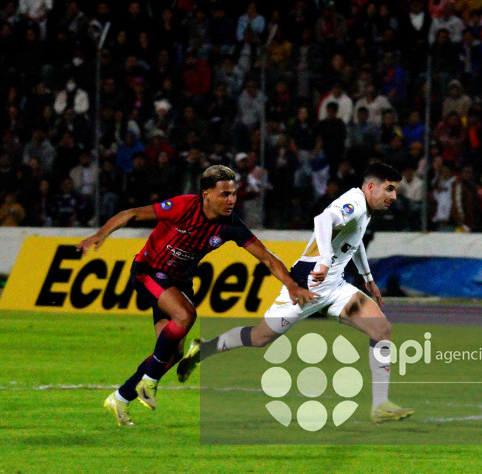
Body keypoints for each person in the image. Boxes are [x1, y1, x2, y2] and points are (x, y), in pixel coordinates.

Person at [77, 165, 317, 426]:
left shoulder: (230, 224)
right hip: (148, 271)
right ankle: (149, 383)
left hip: (178, 283)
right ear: (206, 195)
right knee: (185, 315)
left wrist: (292, 285)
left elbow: (267, 258)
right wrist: (101, 234)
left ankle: (121, 397)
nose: (232, 200)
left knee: (172, 352)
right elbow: (133, 213)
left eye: (234, 194)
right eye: (225, 194)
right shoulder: (183, 207)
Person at [177, 162, 414, 424]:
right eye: (389, 189)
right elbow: (322, 220)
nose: (393, 196)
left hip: (334, 286)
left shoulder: (365, 209)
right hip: (308, 283)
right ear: (371, 186)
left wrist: (368, 279)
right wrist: (324, 260)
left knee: (381, 329)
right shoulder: (355, 203)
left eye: (395, 190)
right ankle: (204, 348)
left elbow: (353, 241)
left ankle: (380, 405)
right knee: (259, 337)